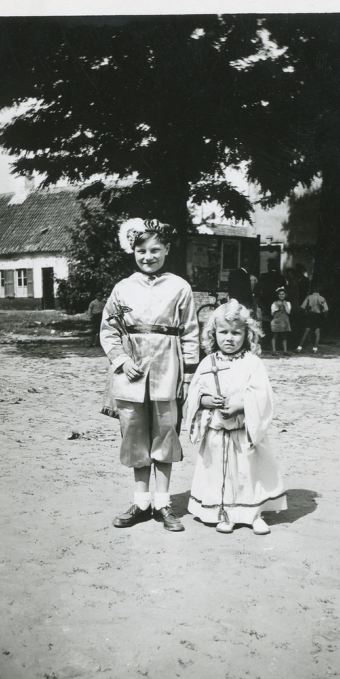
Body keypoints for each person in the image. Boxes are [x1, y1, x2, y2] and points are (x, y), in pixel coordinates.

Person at [100, 218, 200, 532]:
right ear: (133, 251)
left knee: (165, 437)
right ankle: (141, 503)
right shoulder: (122, 288)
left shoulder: (180, 287)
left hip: (169, 373)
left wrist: (187, 377)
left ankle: (163, 503)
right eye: (141, 250)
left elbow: (191, 334)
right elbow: (109, 331)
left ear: (167, 249)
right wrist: (120, 360)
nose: (148, 256)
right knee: (135, 438)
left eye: (155, 249)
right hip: (131, 377)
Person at [186, 299, 286, 535]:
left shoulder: (252, 363)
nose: (229, 338)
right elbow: (194, 395)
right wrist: (207, 401)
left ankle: (253, 514)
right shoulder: (207, 363)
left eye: (236, 332)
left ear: (247, 334)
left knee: (247, 473)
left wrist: (242, 405)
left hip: (244, 433)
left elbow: (265, 396)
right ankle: (225, 514)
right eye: (223, 332)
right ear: (213, 334)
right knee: (220, 475)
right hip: (217, 433)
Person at [295, 285, 329, 354]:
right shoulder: (322, 298)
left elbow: (302, 307)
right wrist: (324, 315)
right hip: (318, 315)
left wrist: (306, 313)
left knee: (307, 331)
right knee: (317, 331)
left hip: (310, 315)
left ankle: (299, 348)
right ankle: (315, 349)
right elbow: (326, 309)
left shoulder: (309, 297)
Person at [270, 287, 291, 355]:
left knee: (284, 335)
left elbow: (288, 312)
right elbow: (272, 313)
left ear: (285, 295)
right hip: (277, 320)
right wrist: (277, 309)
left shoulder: (287, 303)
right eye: (280, 294)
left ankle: (285, 351)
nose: (281, 295)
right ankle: (274, 350)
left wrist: (285, 306)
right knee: (274, 335)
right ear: (277, 295)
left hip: (284, 320)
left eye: (283, 294)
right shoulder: (274, 303)